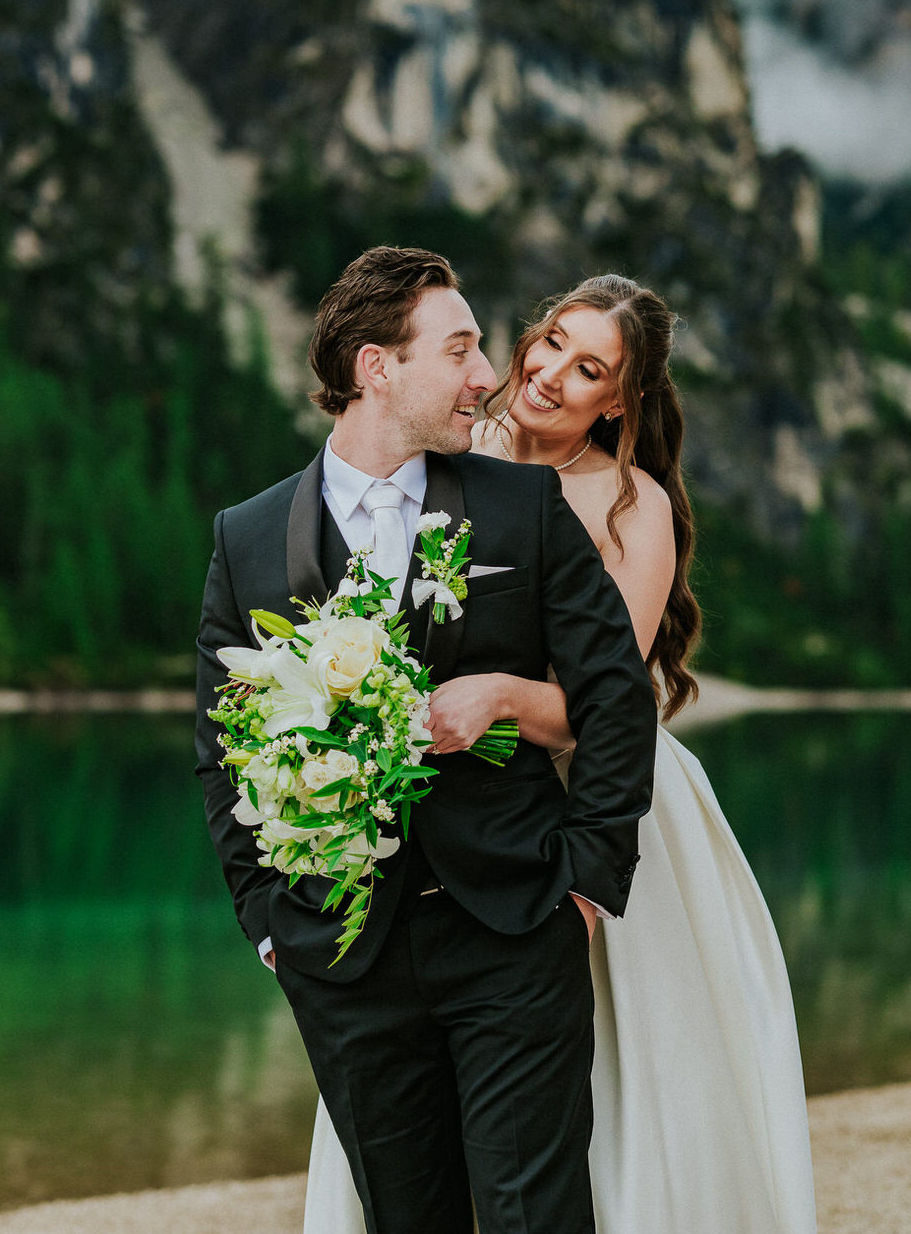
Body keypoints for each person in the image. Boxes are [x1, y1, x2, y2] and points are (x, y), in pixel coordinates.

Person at [304, 273, 819, 1234]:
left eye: (588, 369)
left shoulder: (632, 505)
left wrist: (500, 697)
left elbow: (608, 700)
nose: (547, 373)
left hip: (590, 804)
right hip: (445, 801)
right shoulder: (449, 451)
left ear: (618, 401)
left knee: (616, 1091)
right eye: (550, 342)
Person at [195, 247, 659, 1234]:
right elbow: (221, 747)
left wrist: (583, 885)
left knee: (535, 1218)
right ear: (378, 367)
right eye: (459, 350)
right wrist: (270, 924)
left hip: (513, 927)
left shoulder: (522, 507)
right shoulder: (248, 536)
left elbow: (616, 695)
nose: (489, 375)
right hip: (342, 956)